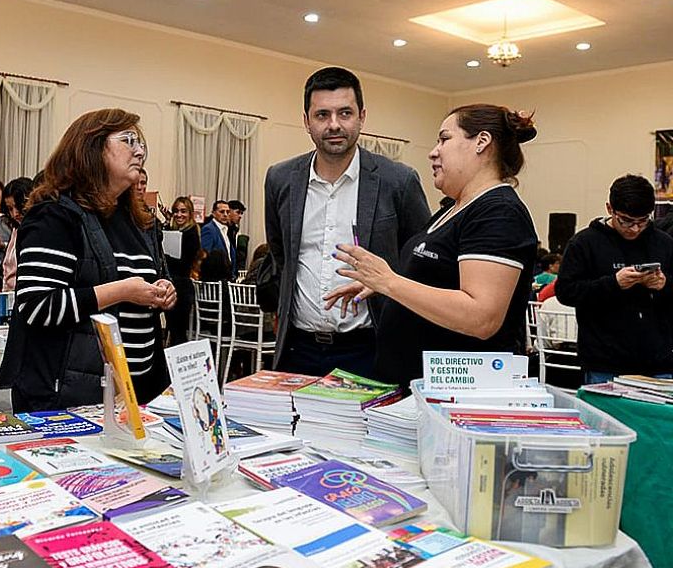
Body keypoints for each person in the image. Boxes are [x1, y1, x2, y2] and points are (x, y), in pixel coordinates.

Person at [327, 103, 539, 387]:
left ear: (482, 142)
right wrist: (380, 286)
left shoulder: (498, 212)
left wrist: (389, 282)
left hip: (456, 395)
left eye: (444, 139)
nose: (433, 151)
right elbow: (437, 280)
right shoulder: (453, 208)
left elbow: (481, 317)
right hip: (410, 384)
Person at [0, 108, 176, 412]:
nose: (140, 151)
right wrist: (123, 291)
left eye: (141, 143)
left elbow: (154, 276)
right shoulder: (55, 215)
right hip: (71, 393)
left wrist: (164, 290)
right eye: (128, 140)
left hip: (137, 393)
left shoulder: (135, 218)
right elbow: (38, 306)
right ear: (91, 147)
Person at [265, 66, 430, 378]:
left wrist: (386, 282)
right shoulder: (280, 178)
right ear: (306, 121)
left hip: (371, 348)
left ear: (362, 117)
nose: (334, 125)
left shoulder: (398, 180)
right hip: (297, 348)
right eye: (322, 115)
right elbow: (280, 255)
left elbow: (421, 262)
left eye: (345, 113)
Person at [556, 174, 673, 383]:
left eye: (643, 221)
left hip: (660, 361)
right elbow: (566, 292)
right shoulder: (584, 243)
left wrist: (664, 285)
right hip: (605, 363)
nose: (635, 229)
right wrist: (613, 284)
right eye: (626, 221)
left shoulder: (663, 242)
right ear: (610, 209)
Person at [164, 196, 201, 345]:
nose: (179, 215)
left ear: (190, 213)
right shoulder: (172, 230)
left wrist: (165, 256)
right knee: (173, 330)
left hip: (182, 288)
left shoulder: (192, 233)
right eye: (176, 211)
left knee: (178, 333)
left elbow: (184, 263)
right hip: (172, 285)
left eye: (183, 211)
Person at [1, 177, 37, 291]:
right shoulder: (15, 230)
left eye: (19, 206)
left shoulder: (37, 230)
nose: (15, 214)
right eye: (10, 208)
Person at [200, 200, 234, 277]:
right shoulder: (209, 229)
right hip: (214, 277)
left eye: (228, 212)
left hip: (227, 276)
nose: (225, 215)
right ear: (213, 213)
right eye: (222, 212)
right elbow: (205, 254)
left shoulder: (227, 230)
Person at [227, 199, 246, 272]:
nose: (240, 216)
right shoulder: (223, 228)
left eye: (241, 213)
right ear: (229, 211)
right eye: (238, 212)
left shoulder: (235, 229)